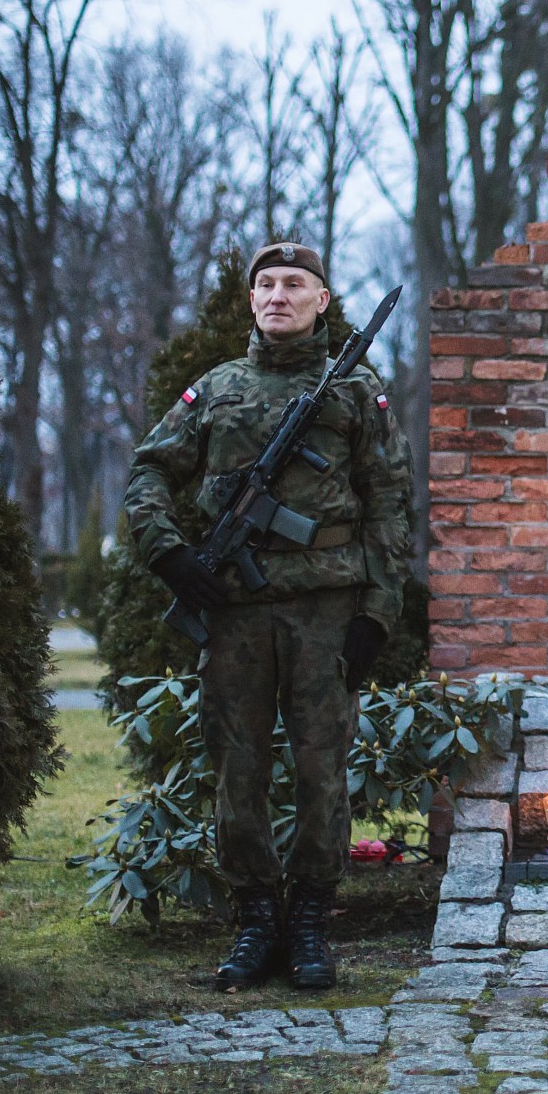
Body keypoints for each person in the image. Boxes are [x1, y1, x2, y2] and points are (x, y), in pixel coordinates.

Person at [124, 241, 412, 990]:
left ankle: (311, 923)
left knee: (323, 771)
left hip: (326, 613)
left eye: (295, 283)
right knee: (237, 771)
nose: (278, 295)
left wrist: (377, 613)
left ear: (322, 299)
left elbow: (388, 505)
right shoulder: (214, 389)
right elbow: (150, 470)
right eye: (266, 285)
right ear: (251, 301)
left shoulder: (355, 392)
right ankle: (256, 919)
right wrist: (171, 554)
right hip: (235, 617)